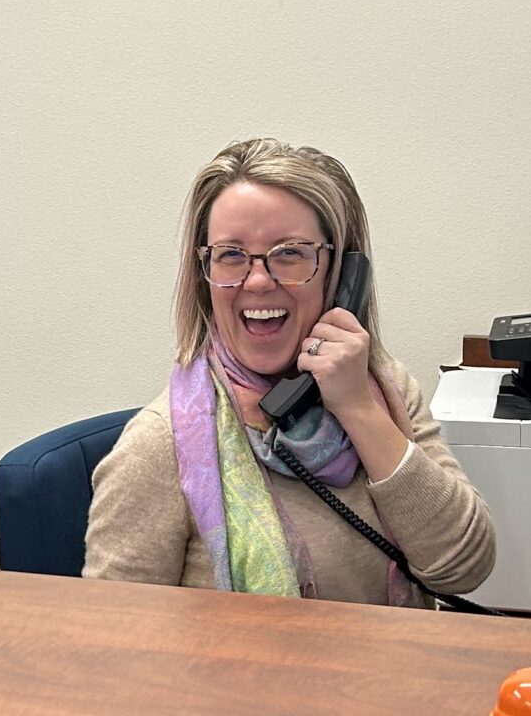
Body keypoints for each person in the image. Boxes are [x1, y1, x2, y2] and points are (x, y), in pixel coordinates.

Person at [84, 138, 496, 605]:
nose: (258, 281)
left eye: (290, 253)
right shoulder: (160, 447)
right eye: (231, 255)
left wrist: (357, 407)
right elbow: (113, 639)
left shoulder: (383, 389)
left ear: (341, 276)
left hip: (396, 673)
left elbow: (464, 568)